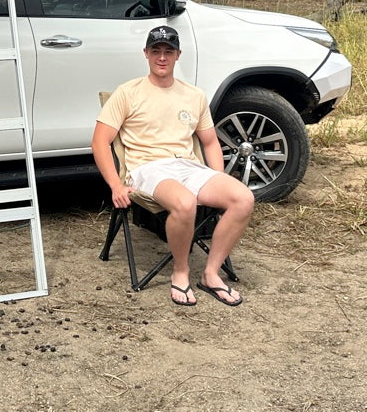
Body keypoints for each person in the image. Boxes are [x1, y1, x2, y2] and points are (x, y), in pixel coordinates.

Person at [92, 25, 254, 307]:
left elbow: (210, 143)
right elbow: (100, 142)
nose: (162, 57)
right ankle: (180, 271)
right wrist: (116, 185)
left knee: (243, 198)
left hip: (188, 167)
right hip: (147, 168)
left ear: (178, 55)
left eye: (169, 51)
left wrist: (216, 176)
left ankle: (211, 273)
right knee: (185, 203)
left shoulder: (194, 95)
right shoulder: (128, 92)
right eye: (156, 51)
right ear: (146, 54)